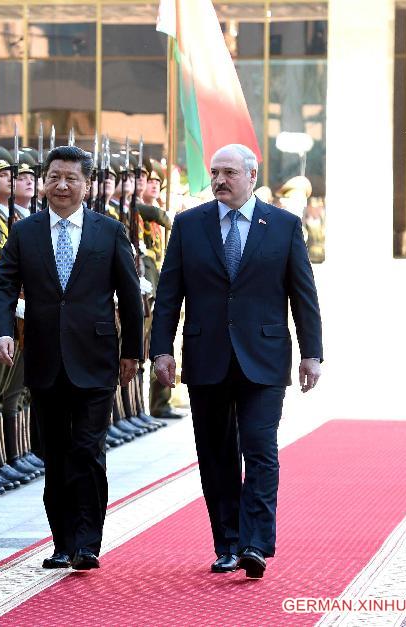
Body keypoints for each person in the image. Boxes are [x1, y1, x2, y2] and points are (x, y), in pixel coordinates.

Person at [150, 143, 323, 580]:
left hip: (263, 358)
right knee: (216, 454)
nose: (220, 180)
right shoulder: (189, 226)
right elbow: (169, 294)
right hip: (207, 356)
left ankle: (255, 544)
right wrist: (162, 350)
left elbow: (304, 295)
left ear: (251, 174)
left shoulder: (283, 226)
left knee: (261, 451)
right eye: (214, 172)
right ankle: (227, 543)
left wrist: (312, 354)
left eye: (229, 172)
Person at [0, 145, 143, 571]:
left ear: (86, 184)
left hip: (95, 359)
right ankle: (61, 542)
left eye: (71, 178)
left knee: (87, 448)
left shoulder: (108, 231)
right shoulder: (25, 232)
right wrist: (2, 331)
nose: (62, 185)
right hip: (44, 357)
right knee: (54, 452)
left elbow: (129, 296)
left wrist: (134, 352)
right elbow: (3, 286)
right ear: (45, 181)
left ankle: (87, 542)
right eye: (55, 177)